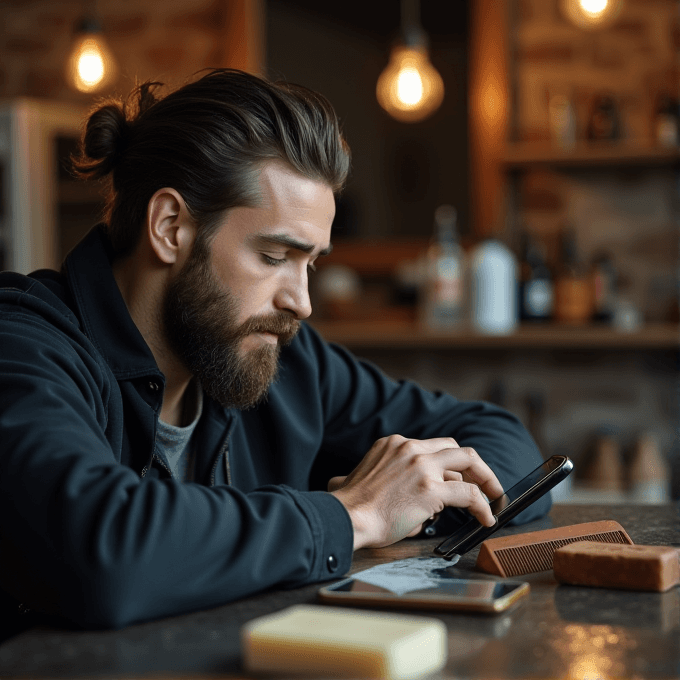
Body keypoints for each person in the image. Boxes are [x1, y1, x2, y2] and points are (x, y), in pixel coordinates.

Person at [0, 69, 550, 635]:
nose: (302, 301)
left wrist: (414, 503)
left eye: (310, 263)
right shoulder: (23, 345)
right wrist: (352, 516)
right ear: (170, 227)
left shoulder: (282, 357)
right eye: (273, 256)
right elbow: (101, 551)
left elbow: (503, 440)